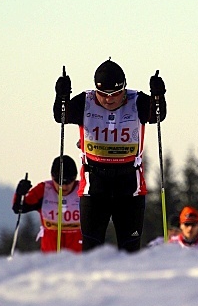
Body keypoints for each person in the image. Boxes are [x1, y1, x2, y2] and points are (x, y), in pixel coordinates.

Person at [53, 58, 167, 252]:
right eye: (103, 94)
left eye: (115, 93)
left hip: (130, 188)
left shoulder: (136, 101)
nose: (108, 99)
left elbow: (157, 115)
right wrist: (61, 96)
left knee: (130, 249)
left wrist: (158, 96)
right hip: (94, 187)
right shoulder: (85, 102)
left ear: (124, 88)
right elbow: (61, 116)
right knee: (91, 250)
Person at [13, 155, 82, 253]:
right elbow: (19, 208)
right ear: (52, 177)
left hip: (79, 257)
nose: (64, 186)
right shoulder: (44, 190)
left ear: (75, 177)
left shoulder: (83, 190)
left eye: (69, 181)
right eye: (59, 182)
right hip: (50, 256)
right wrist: (20, 193)